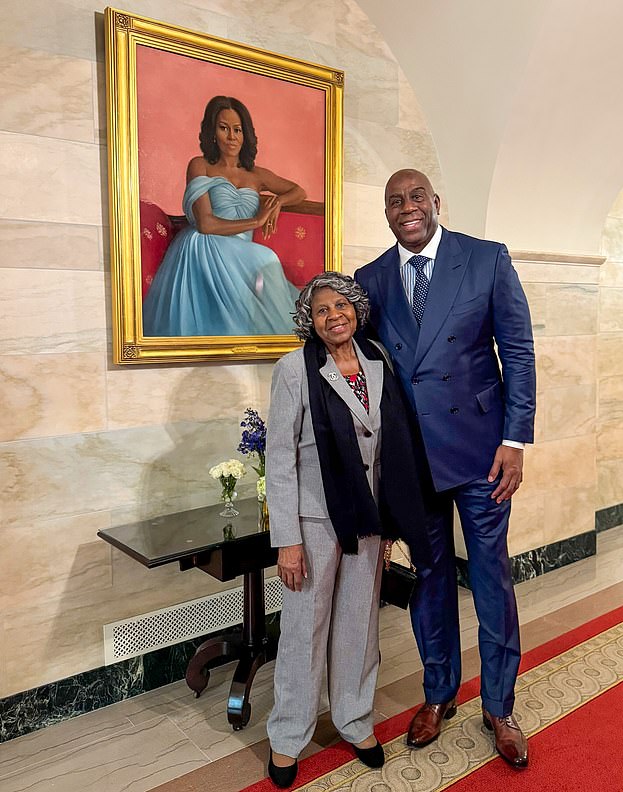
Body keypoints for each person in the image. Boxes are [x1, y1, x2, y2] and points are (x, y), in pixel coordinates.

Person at [355, 169, 536, 768]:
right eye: (394, 202)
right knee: (429, 576)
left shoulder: (485, 260)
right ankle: (438, 694)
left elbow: (516, 351)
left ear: (436, 203)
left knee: (490, 577)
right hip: (413, 459)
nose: (406, 208)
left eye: (415, 197)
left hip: (483, 451)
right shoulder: (371, 279)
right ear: (385, 213)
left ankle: (500, 705)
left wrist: (515, 437)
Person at [265, 272, 435, 788]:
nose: (333, 315)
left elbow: (391, 447)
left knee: (360, 625)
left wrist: (389, 523)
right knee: (303, 629)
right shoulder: (294, 369)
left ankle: (354, 721)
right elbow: (279, 458)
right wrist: (287, 539)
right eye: (321, 310)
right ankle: (288, 736)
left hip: (368, 519)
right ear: (308, 321)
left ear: (356, 310)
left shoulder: (377, 361)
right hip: (314, 522)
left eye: (341, 305)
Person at [143, 95, 306, 337]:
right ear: (212, 132)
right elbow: (206, 224)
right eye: (224, 128)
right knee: (265, 256)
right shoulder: (200, 165)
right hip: (204, 243)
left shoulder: (256, 174)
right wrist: (258, 221)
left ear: (245, 134)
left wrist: (278, 202)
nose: (231, 136)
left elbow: (299, 191)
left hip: (240, 250)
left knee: (262, 261)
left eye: (237, 130)